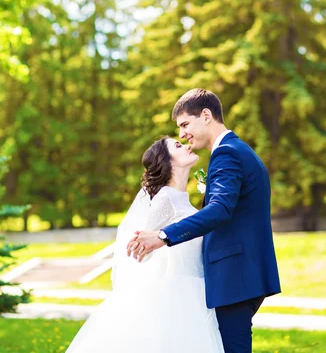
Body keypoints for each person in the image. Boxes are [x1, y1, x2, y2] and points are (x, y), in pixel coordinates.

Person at [127, 88, 281, 353]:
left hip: (235, 275)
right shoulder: (238, 150)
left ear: (206, 115)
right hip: (241, 273)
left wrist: (163, 236)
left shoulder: (227, 153)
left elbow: (220, 209)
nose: (182, 134)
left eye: (185, 124)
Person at [66, 137, 224, 353]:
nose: (187, 145)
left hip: (198, 290)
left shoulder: (182, 198)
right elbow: (139, 250)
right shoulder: (165, 199)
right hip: (178, 295)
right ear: (168, 162)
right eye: (178, 146)